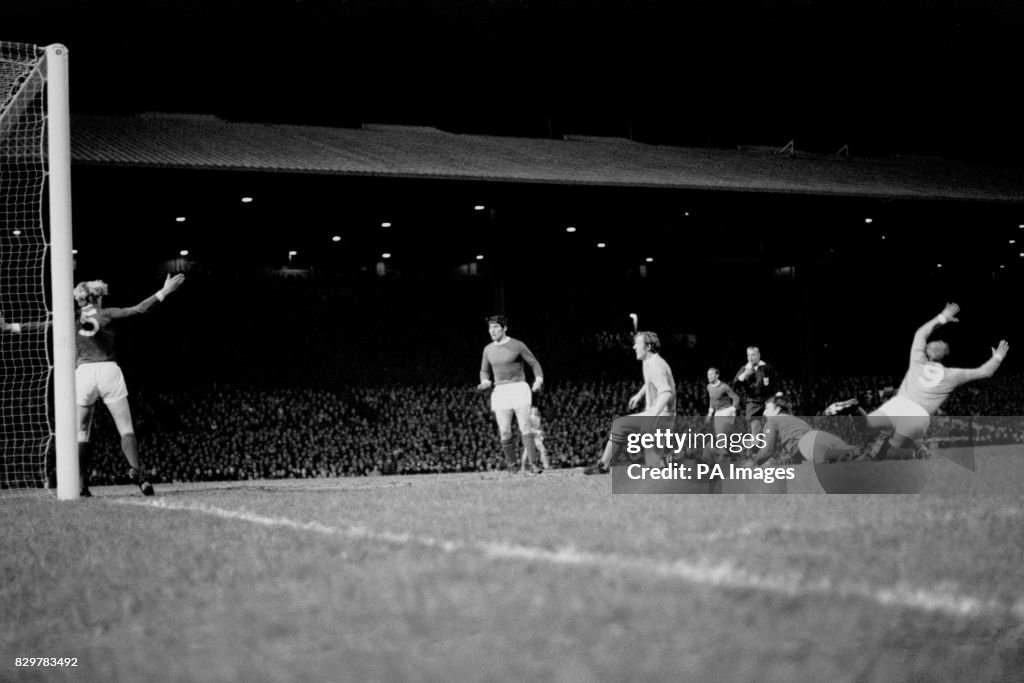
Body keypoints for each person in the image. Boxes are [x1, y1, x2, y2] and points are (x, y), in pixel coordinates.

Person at [74, 274, 186, 495]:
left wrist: (11, 327)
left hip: (84, 373)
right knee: (125, 428)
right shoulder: (107, 313)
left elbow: (44, 325)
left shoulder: (72, 318)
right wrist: (164, 291)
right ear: (97, 298)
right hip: (108, 370)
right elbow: (139, 310)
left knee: (82, 431)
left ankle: (80, 483)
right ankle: (139, 475)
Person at [867, 303, 1009, 459]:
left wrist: (942, 317)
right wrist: (997, 357)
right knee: (890, 450)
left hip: (900, 404)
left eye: (937, 343)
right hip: (918, 417)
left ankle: (895, 449)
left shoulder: (918, 360)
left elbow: (920, 333)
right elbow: (986, 371)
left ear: (929, 353)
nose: (937, 342)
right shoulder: (951, 375)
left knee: (867, 427)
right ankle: (909, 452)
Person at [584, 331, 676, 474]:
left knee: (619, 424)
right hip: (663, 417)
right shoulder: (650, 361)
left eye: (637, 344)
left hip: (661, 419)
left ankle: (603, 465)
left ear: (648, 346)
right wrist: (639, 395)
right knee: (653, 465)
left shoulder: (655, 365)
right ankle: (675, 459)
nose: (633, 347)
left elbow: (665, 392)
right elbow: (652, 382)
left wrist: (651, 417)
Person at [478, 315, 544, 473]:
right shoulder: (488, 349)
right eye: (490, 328)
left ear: (504, 328)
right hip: (501, 391)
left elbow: (534, 363)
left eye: (495, 328)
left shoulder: (517, 345)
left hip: (519, 388)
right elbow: (484, 370)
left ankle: (534, 464)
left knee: (525, 427)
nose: (492, 331)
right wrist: (485, 381)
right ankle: (512, 466)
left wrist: (539, 380)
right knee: (505, 430)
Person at [747, 394, 857, 467]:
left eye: (767, 409)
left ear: (777, 409)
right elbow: (794, 456)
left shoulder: (772, 421)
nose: (764, 413)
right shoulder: (796, 420)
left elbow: (766, 450)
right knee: (854, 459)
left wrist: (754, 462)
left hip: (808, 443)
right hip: (820, 436)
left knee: (825, 474)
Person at [733, 346, 776, 440]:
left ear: (759, 355)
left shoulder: (767, 367)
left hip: (767, 400)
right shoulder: (744, 368)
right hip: (752, 402)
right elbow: (735, 385)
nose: (750, 357)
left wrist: (773, 398)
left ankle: (773, 447)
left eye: (753, 355)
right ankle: (756, 451)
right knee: (755, 428)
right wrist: (744, 375)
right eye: (748, 355)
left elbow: (775, 383)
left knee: (772, 425)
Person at [705, 367, 739, 438]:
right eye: (708, 375)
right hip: (718, 413)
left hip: (727, 411)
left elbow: (736, 398)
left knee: (723, 433)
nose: (709, 376)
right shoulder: (708, 387)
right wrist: (710, 414)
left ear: (717, 375)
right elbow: (712, 399)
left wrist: (732, 410)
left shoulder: (724, 387)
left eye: (711, 374)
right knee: (719, 439)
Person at [519, 406, 552, 474]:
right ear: (531, 411)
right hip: (530, 437)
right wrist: (538, 432)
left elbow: (537, 427)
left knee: (543, 450)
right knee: (526, 453)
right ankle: (523, 467)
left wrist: (540, 434)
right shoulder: (529, 418)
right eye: (534, 410)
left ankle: (546, 465)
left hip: (536, 438)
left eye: (536, 410)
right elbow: (529, 428)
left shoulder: (538, 418)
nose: (535, 411)